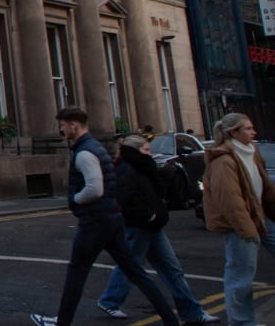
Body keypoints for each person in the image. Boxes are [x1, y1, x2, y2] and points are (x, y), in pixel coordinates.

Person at [30, 106, 177, 326]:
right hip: (111, 219)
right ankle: (170, 318)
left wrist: (75, 199)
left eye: (62, 125)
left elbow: (94, 188)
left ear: (73, 125)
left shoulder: (84, 153)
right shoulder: (96, 147)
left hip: (94, 222)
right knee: (136, 273)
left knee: (76, 273)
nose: (61, 130)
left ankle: (62, 322)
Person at [94, 134, 216, 322]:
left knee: (171, 269)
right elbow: (126, 200)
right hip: (139, 226)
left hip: (153, 226)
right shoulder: (126, 169)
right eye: (146, 150)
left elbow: (155, 192)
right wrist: (148, 216)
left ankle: (192, 312)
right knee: (133, 267)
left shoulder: (144, 166)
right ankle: (109, 300)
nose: (150, 153)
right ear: (135, 150)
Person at [203, 112, 275, 326]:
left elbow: (264, 188)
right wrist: (246, 229)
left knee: (241, 272)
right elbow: (230, 201)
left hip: (260, 215)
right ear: (233, 132)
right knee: (240, 276)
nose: (254, 132)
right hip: (241, 223)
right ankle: (241, 321)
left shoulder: (252, 152)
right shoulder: (224, 160)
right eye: (248, 128)